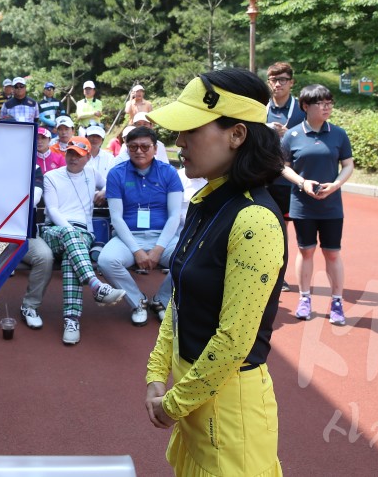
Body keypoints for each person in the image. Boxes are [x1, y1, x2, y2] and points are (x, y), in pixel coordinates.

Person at [144, 68, 287, 476]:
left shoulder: (253, 219)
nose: (179, 141)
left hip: (228, 409)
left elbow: (234, 339)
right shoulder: (206, 200)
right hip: (194, 391)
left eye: (191, 128)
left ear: (237, 134)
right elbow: (180, 297)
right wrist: (157, 370)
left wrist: (171, 402)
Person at [280, 85, 354, 325]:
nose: (326, 107)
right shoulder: (292, 135)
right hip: (303, 204)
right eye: (320, 103)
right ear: (305, 106)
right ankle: (304, 298)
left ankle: (337, 302)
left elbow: (348, 165)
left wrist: (335, 185)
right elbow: (283, 167)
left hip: (331, 205)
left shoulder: (338, 134)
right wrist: (302, 183)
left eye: (329, 103)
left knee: (332, 253)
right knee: (306, 250)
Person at [42, 137, 126, 345]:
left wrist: (104, 191)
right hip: (54, 231)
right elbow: (52, 210)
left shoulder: (92, 173)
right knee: (72, 238)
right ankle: (96, 285)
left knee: (71, 261)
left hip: (83, 236)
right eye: (70, 153)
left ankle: (72, 320)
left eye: (79, 155)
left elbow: (109, 184)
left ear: (88, 158)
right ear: (65, 153)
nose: (73, 158)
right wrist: (70, 231)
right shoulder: (51, 176)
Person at [99, 126, 184, 326]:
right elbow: (117, 218)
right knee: (106, 260)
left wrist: (158, 249)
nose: (139, 151)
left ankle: (161, 301)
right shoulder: (117, 174)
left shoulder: (169, 173)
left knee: (189, 260)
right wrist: (136, 250)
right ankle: (138, 301)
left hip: (163, 237)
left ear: (155, 148)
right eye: (133, 146)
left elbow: (174, 216)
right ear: (126, 148)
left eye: (145, 147)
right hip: (128, 237)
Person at [0, 166, 54, 331]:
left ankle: (30, 306)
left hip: (23, 236)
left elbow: (35, 197)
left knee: (45, 257)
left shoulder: (34, 167)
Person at [265, 61, 306, 292]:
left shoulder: (301, 108)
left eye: (283, 80)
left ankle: (279, 276)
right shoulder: (261, 107)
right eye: (273, 80)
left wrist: (287, 133)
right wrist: (266, 128)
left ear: (291, 82)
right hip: (260, 175)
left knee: (283, 228)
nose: (278, 84)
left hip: (288, 177)